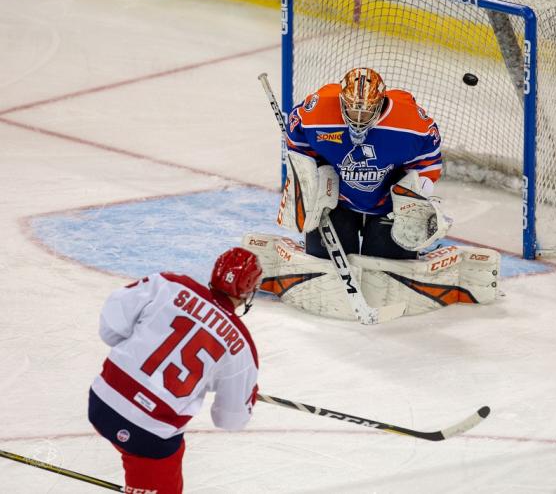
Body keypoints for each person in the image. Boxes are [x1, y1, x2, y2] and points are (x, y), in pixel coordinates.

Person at [88, 247, 262, 494]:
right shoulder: (241, 347)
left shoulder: (168, 284)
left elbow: (110, 328)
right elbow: (229, 420)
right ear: (247, 292)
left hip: (101, 404)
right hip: (148, 437)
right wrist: (245, 395)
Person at [280, 67, 449, 260]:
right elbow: (297, 141)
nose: (358, 119)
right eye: (352, 110)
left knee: (385, 269)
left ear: (380, 103)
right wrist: (312, 176)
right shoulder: (319, 113)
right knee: (324, 260)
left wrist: (417, 197)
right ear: (342, 101)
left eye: (367, 112)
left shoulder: (408, 122)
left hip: (389, 207)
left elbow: (428, 161)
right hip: (336, 203)